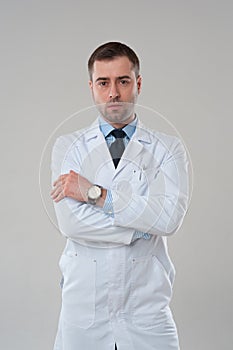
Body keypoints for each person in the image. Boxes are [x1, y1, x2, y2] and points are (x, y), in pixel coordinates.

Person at [50, 42, 189, 350]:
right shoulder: (68, 147)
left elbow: (169, 219)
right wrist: (141, 226)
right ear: (91, 87)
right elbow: (72, 225)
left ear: (137, 84)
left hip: (146, 311)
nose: (113, 93)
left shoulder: (168, 148)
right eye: (103, 82)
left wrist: (93, 193)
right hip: (84, 310)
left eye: (123, 81)